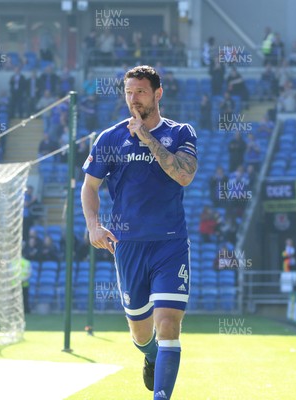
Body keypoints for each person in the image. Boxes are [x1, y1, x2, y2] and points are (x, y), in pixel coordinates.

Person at [81, 65, 197, 398]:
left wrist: (147, 138)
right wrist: (93, 224)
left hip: (170, 244)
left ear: (158, 93)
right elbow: (89, 187)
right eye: (129, 92)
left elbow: (184, 176)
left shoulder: (180, 133)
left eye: (141, 92)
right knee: (142, 333)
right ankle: (150, 356)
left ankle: (161, 395)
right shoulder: (110, 137)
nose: (134, 99)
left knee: (168, 325)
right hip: (127, 245)